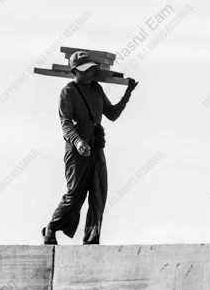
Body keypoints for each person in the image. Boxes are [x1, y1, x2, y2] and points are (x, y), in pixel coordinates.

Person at [41, 51, 138, 245]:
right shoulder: (68, 92)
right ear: (74, 71)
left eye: (91, 70)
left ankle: (91, 240)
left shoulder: (96, 89)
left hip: (96, 148)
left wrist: (127, 94)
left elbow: (112, 114)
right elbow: (66, 123)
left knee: (98, 194)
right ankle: (51, 228)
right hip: (76, 152)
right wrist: (77, 141)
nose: (89, 74)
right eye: (84, 71)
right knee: (75, 195)